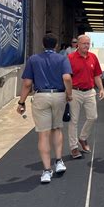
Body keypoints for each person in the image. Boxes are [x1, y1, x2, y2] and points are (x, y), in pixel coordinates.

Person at [17, 33, 73, 183]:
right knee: (57, 128)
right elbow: (67, 78)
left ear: (43, 45)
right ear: (55, 46)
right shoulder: (62, 59)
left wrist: (21, 102)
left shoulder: (33, 59)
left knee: (43, 134)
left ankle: (47, 171)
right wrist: (69, 94)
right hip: (59, 95)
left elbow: (27, 84)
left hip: (41, 96)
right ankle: (59, 161)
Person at [67, 35, 104, 159]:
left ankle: (82, 138)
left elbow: (97, 75)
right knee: (74, 121)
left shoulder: (93, 57)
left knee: (93, 117)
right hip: (75, 92)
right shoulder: (70, 58)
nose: (86, 46)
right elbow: (66, 77)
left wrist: (101, 88)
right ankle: (73, 147)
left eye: (88, 43)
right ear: (78, 44)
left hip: (89, 92)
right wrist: (67, 93)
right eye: (84, 43)